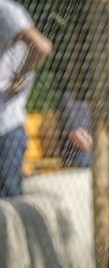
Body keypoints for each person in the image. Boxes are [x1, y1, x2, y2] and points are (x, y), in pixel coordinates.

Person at [0, 0, 52, 197]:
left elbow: (41, 46)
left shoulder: (5, 10)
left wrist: (20, 76)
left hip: (6, 128)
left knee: (8, 206)